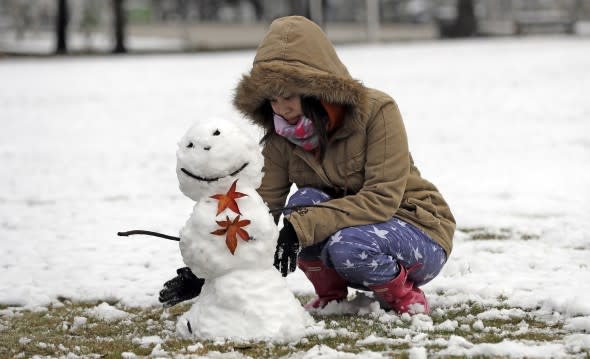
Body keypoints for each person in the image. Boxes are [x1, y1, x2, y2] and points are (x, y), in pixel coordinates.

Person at [159, 15, 455, 314]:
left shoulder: (378, 111)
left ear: (318, 91)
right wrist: (208, 269)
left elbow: (382, 200)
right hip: (346, 236)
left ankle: (404, 298)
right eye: (273, 99)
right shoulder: (280, 136)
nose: (281, 108)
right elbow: (258, 211)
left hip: (416, 230)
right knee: (302, 204)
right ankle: (332, 297)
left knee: (334, 237)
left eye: (289, 96)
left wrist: (299, 228)